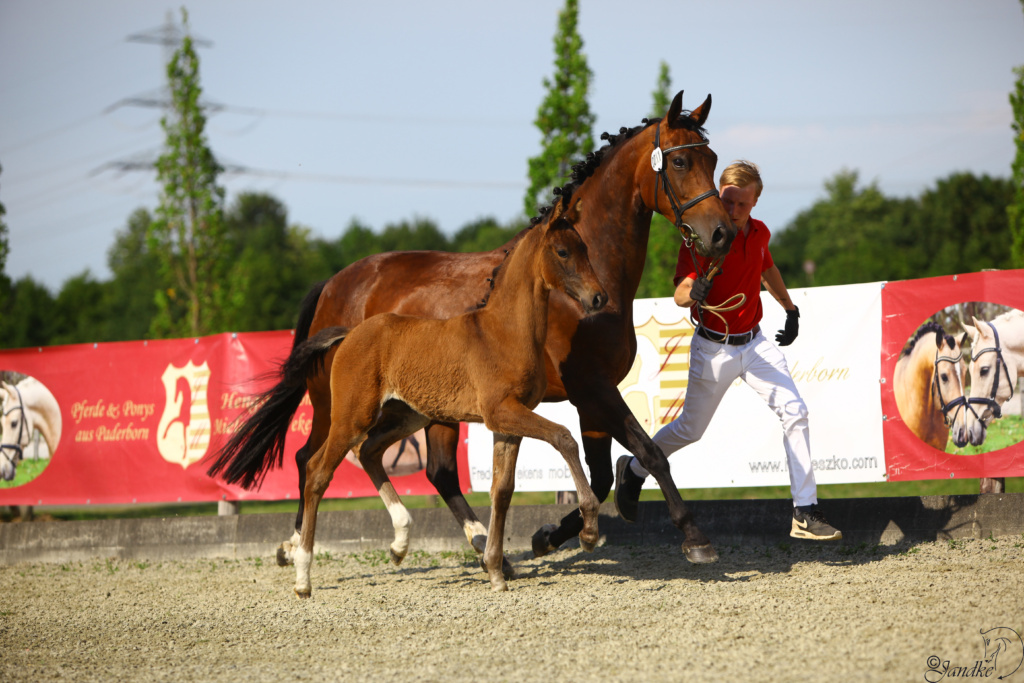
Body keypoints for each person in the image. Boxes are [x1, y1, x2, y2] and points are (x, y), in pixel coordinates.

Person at [615, 160, 841, 541]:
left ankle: (804, 512)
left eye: (742, 205)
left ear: (754, 205)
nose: (734, 211)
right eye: (729, 201)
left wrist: (790, 308)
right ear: (720, 195)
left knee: (795, 411)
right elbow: (679, 294)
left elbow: (767, 269)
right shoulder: (702, 237)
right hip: (713, 349)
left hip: (754, 344)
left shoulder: (760, 233)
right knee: (690, 429)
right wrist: (693, 293)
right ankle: (635, 469)